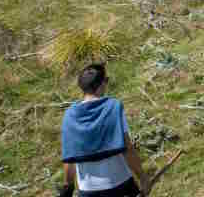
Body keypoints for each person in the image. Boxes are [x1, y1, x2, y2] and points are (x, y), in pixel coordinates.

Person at [59, 63, 147, 197]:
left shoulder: (70, 115)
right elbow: (128, 149)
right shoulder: (113, 107)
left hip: (88, 190)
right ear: (101, 84)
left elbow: (69, 159)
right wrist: (143, 178)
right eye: (106, 80)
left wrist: (68, 187)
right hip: (121, 185)